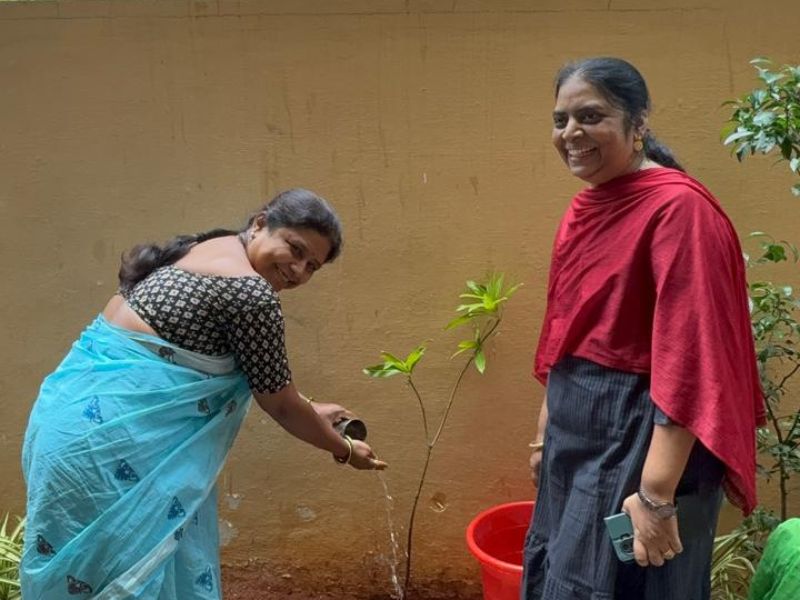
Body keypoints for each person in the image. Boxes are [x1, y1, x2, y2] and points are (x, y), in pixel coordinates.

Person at [21, 188, 387, 599]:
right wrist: (345, 450)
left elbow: (258, 379)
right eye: (295, 249)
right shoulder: (251, 294)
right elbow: (281, 405)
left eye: (312, 266)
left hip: (66, 430)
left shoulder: (205, 248)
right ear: (261, 223)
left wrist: (312, 410)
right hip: (110, 454)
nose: (299, 270)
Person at [521, 58, 764, 600]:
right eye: (560, 120)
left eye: (590, 116)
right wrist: (544, 438)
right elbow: (565, 335)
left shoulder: (679, 210)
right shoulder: (584, 208)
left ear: (639, 123)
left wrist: (655, 494)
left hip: (640, 442)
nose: (571, 133)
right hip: (574, 441)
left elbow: (693, 356)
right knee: (561, 576)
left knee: (629, 583)